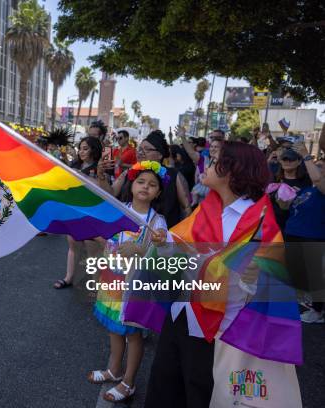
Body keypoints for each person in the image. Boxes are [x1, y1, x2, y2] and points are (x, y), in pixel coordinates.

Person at [137, 142, 302, 408]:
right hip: (182, 313)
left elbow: (270, 283)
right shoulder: (207, 207)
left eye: (214, 162)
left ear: (232, 171)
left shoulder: (260, 221)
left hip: (220, 329)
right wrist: (163, 244)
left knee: (200, 394)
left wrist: (252, 276)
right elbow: (181, 254)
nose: (207, 166)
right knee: (163, 389)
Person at [88, 161, 168, 402]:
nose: (146, 187)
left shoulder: (158, 223)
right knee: (113, 328)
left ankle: (129, 381)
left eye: (152, 184)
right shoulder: (119, 210)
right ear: (132, 185)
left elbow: (162, 254)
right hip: (113, 280)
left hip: (136, 287)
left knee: (133, 335)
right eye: (141, 182)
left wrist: (143, 249)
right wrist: (107, 245)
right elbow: (105, 236)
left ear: (159, 192)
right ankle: (114, 369)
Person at [98, 130, 192, 228]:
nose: (140, 153)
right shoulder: (130, 171)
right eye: (140, 149)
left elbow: (186, 207)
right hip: (129, 231)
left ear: (160, 154)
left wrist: (179, 234)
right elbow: (111, 193)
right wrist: (101, 175)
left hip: (161, 235)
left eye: (147, 149)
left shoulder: (173, 174)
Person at [285, 133, 325, 324]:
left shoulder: (321, 186)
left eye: (321, 167)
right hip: (293, 234)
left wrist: (307, 156)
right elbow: (289, 208)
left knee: (315, 275)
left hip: (313, 236)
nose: (317, 169)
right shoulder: (308, 189)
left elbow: (318, 180)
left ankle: (317, 312)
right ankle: (312, 302)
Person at [54, 136, 103, 289]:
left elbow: (104, 189)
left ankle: (95, 284)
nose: (81, 152)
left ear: (94, 150)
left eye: (85, 148)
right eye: (80, 148)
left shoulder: (99, 167)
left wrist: (82, 176)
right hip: (75, 211)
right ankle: (68, 278)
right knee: (73, 245)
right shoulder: (75, 164)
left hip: (93, 213)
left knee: (92, 251)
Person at [267, 147, 312, 234]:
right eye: (284, 159)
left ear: (299, 162)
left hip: (295, 226)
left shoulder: (306, 179)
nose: (287, 162)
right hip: (274, 224)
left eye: (291, 159)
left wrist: (299, 195)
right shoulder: (275, 178)